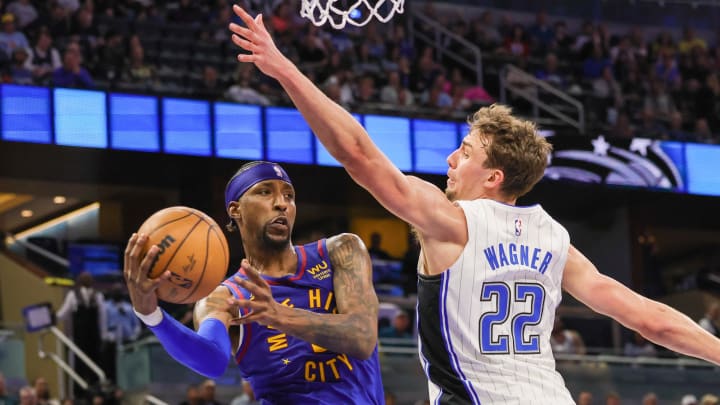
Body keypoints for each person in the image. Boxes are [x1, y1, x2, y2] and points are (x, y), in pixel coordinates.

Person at [228, 6, 720, 403]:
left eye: (464, 152)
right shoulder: (555, 242)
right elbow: (649, 320)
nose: (450, 159)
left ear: (493, 176)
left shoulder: (452, 222)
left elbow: (358, 155)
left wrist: (283, 69)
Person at [124, 161, 384, 403]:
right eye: (265, 192)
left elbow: (361, 337)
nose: (281, 203)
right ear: (235, 209)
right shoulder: (224, 298)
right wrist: (150, 315)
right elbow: (212, 360)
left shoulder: (340, 251)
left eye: (289, 195)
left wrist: (278, 315)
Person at [56, 271, 107, 397]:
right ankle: (78, 393)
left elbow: (102, 317)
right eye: (84, 278)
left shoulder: (98, 296)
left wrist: (104, 334)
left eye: (88, 278)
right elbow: (64, 312)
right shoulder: (73, 295)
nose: (86, 280)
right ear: (79, 281)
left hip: (94, 337)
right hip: (79, 337)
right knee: (79, 364)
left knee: (94, 363)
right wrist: (52, 319)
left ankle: (96, 394)